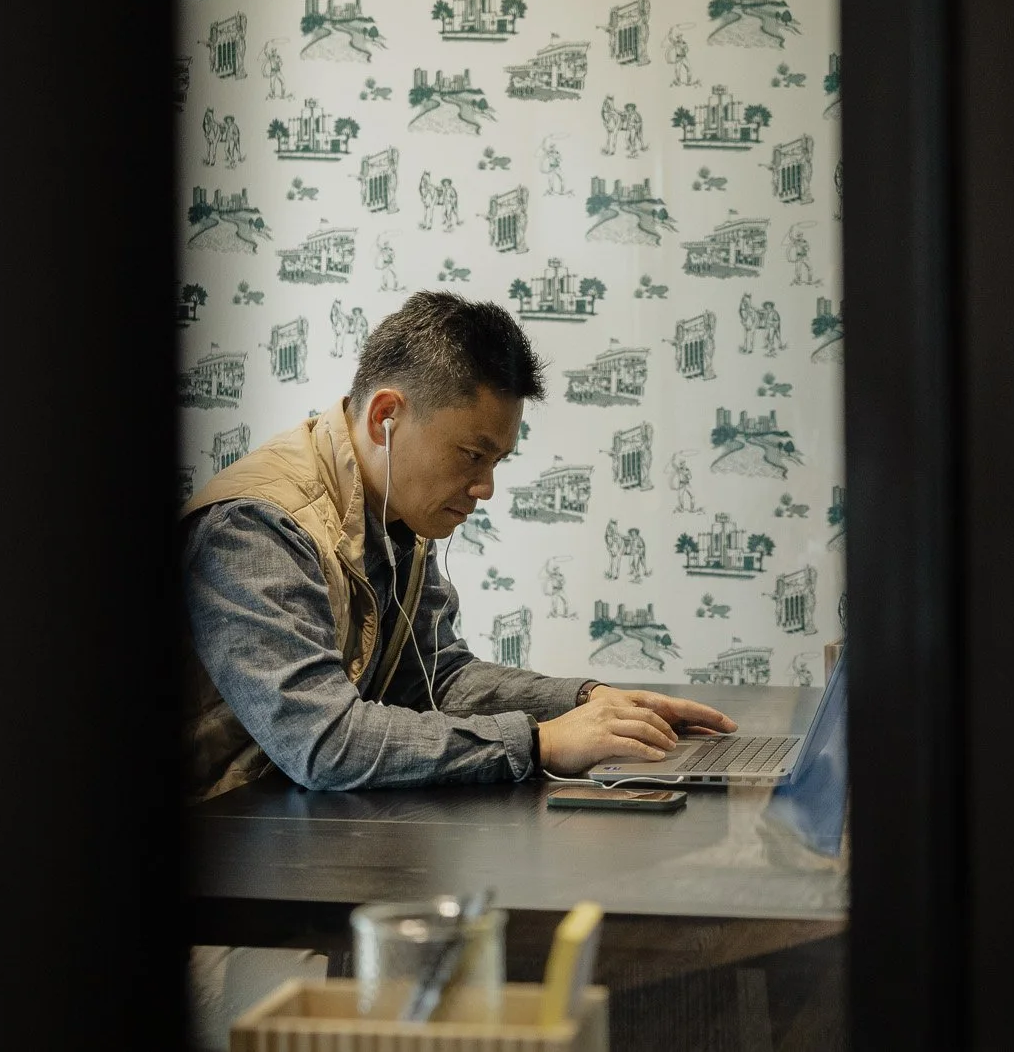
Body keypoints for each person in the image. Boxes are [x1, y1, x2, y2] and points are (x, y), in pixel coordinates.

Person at [182, 294, 737, 800]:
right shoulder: (253, 527)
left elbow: (437, 679)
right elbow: (324, 744)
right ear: (385, 417)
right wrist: (540, 742)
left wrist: (590, 702)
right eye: (472, 455)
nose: (485, 488)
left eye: (496, 462)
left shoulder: (395, 512)